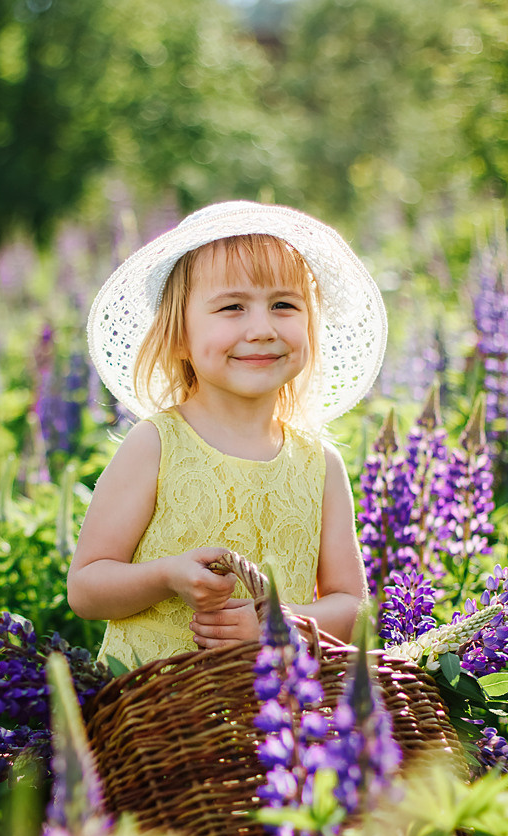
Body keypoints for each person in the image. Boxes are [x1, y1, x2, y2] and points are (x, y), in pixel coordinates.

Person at [67, 201, 387, 669]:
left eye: (284, 305)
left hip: (278, 722)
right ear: (179, 336)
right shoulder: (157, 444)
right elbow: (86, 590)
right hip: (153, 718)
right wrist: (164, 576)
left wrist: (281, 623)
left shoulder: (319, 465)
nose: (261, 329)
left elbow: (351, 607)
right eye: (232, 307)